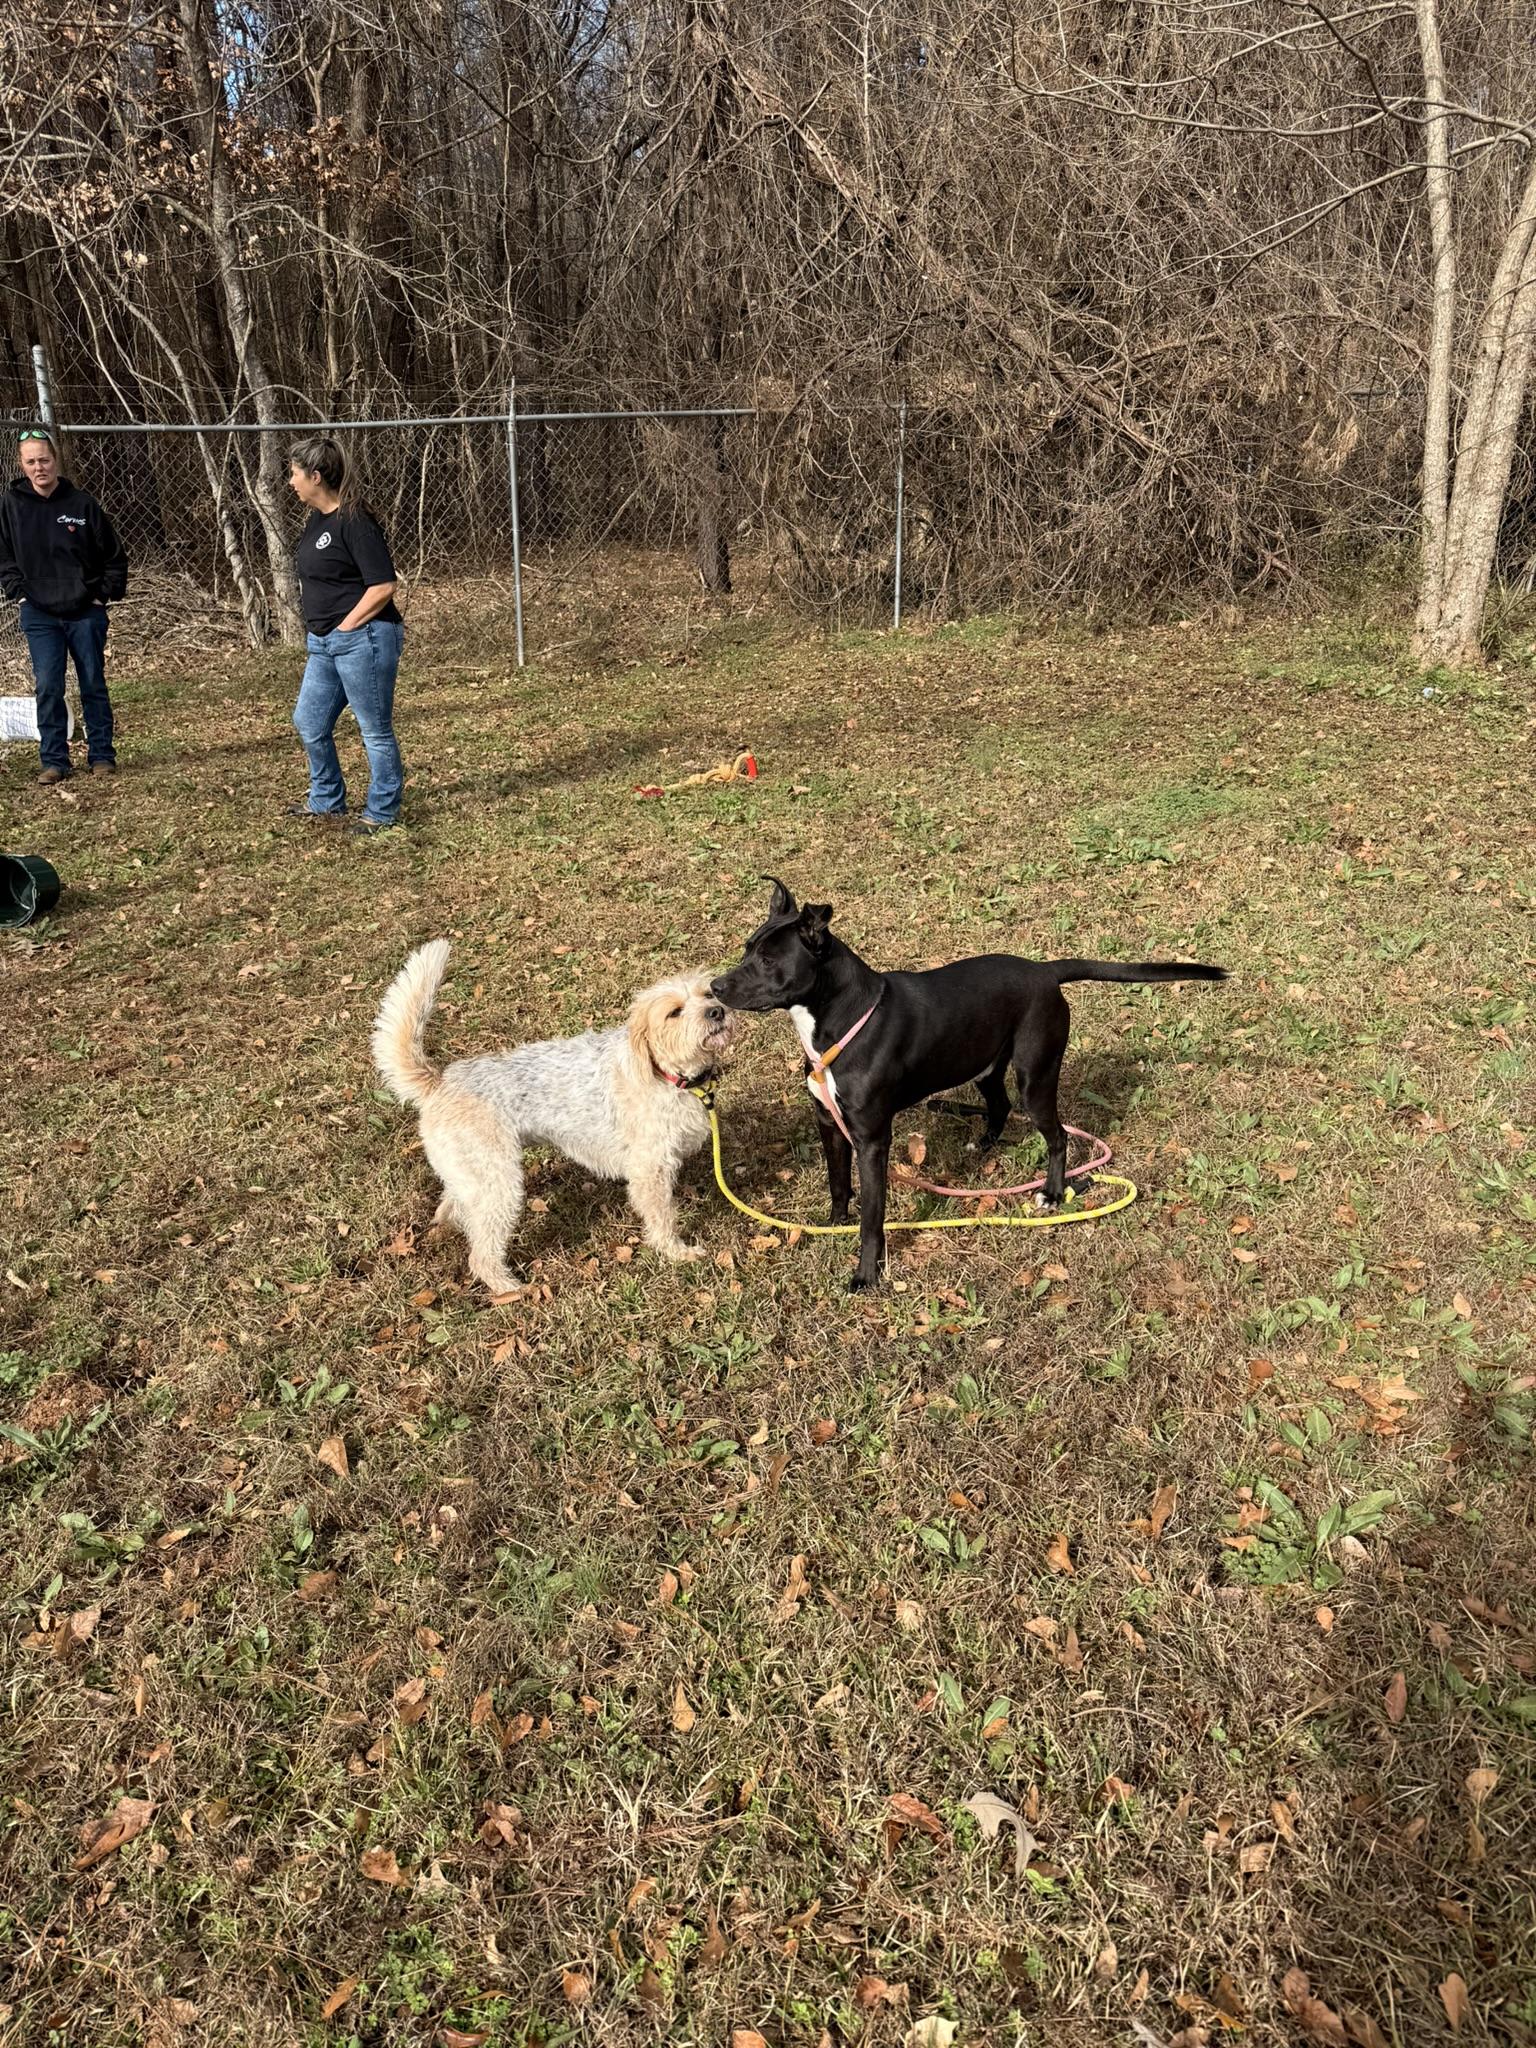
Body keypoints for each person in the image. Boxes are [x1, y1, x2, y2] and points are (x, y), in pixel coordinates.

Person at [287, 436, 405, 835]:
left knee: (374, 728)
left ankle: (382, 812)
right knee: (309, 721)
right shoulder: (317, 520)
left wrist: (347, 626)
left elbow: (383, 585)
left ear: (316, 477)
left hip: (363, 638)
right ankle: (327, 799)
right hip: (323, 644)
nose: (291, 482)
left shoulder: (355, 521)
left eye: (295, 473)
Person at [0, 425, 127, 784]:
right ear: (22, 465)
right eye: (31, 462)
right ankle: (54, 760)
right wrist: (19, 592)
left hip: (85, 612)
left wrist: (101, 596)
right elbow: (3, 557)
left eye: (44, 460)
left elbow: (114, 558)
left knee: (92, 682)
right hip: (39, 613)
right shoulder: (10, 505)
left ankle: (102, 755)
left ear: (56, 460)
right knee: (48, 685)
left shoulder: (82, 504)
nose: (38, 467)